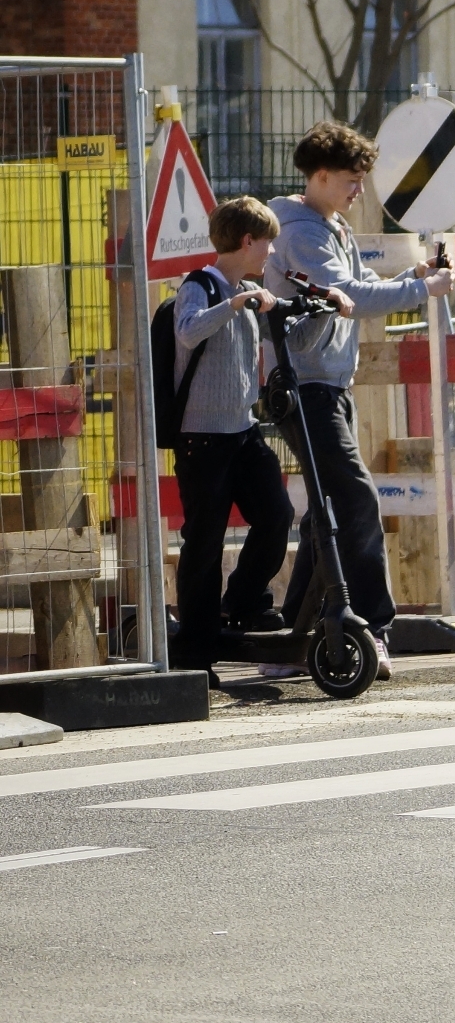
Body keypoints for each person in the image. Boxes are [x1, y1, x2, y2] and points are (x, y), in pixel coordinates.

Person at [266, 121, 455, 674]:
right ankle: (373, 625)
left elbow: (358, 283)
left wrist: (412, 273)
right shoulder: (302, 233)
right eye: (351, 180)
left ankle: (293, 639)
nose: (359, 190)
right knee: (356, 500)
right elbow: (349, 294)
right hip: (306, 388)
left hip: (326, 385)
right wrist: (421, 289)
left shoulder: (331, 226)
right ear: (321, 176)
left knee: (326, 512)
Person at [168, 198, 295, 677]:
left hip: (243, 430)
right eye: (267, 243)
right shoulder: (199, 286)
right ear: (247, 241)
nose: (271, 251)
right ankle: (195, 651)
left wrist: (324, 305)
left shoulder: (248, 292)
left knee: (276, 515)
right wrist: (233, 304)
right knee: (204, 541)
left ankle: (242, 601)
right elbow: (187, 332)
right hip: (202, 439)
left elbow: (283, 331)